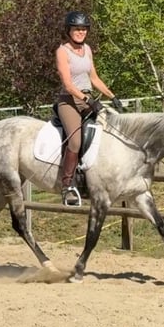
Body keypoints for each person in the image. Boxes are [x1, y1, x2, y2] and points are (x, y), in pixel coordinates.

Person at [55, 11, 124, 206]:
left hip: (86, 98)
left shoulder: (87, 49)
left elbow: (94, 78)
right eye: (77, 29)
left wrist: (113, 96)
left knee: (109, 128)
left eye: (83, 29)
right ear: (69, 30)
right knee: (75, 141)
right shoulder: (62, 51)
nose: (80, 32)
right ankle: (67, 185)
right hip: (69, 100)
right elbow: (68, 84)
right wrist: (88, 99)